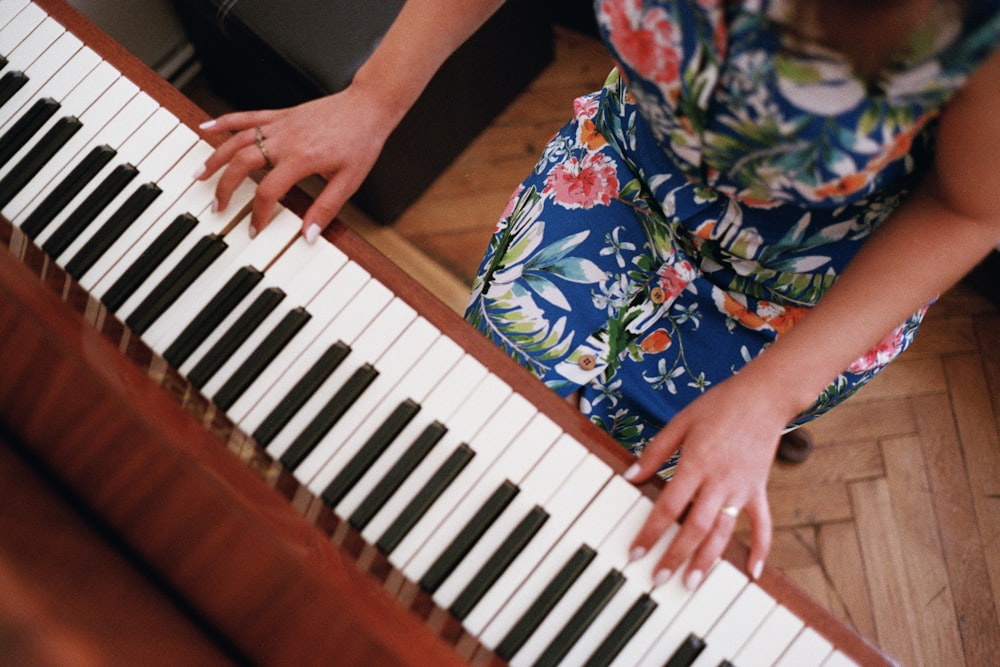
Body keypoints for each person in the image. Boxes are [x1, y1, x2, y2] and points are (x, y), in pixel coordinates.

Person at [195, 0, 1000, 591]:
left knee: (610, 524)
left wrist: (768, 397)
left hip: (803, 301)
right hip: (615, 179)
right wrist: (375, 97)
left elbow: (971, 204)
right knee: (480, 421)